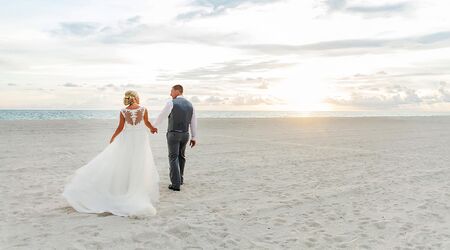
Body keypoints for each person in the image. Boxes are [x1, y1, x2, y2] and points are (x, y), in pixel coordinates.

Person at [62, 90, 160, 217]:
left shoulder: (123, 111)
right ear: (136, 97)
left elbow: (120, 127)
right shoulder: (143, 109)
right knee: (139, 163)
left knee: (126, 162)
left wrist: (113, 137)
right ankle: (134, 188)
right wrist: (152, 128)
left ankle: (125, 188)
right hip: (141, 138)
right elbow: (146, 122)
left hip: (128, 138)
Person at [153, 84, 197, 191]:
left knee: (173, 158)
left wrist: (153, 126)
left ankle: (175, 184)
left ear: (178, 91)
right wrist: (194, 136)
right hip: (185, 135)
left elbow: (161, 116)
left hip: (173, 134)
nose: (170, 93)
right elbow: (193, 121)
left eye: (171, 91)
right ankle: (180, 180)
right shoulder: (190, 105)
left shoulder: (171, 102)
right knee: (181, 156)